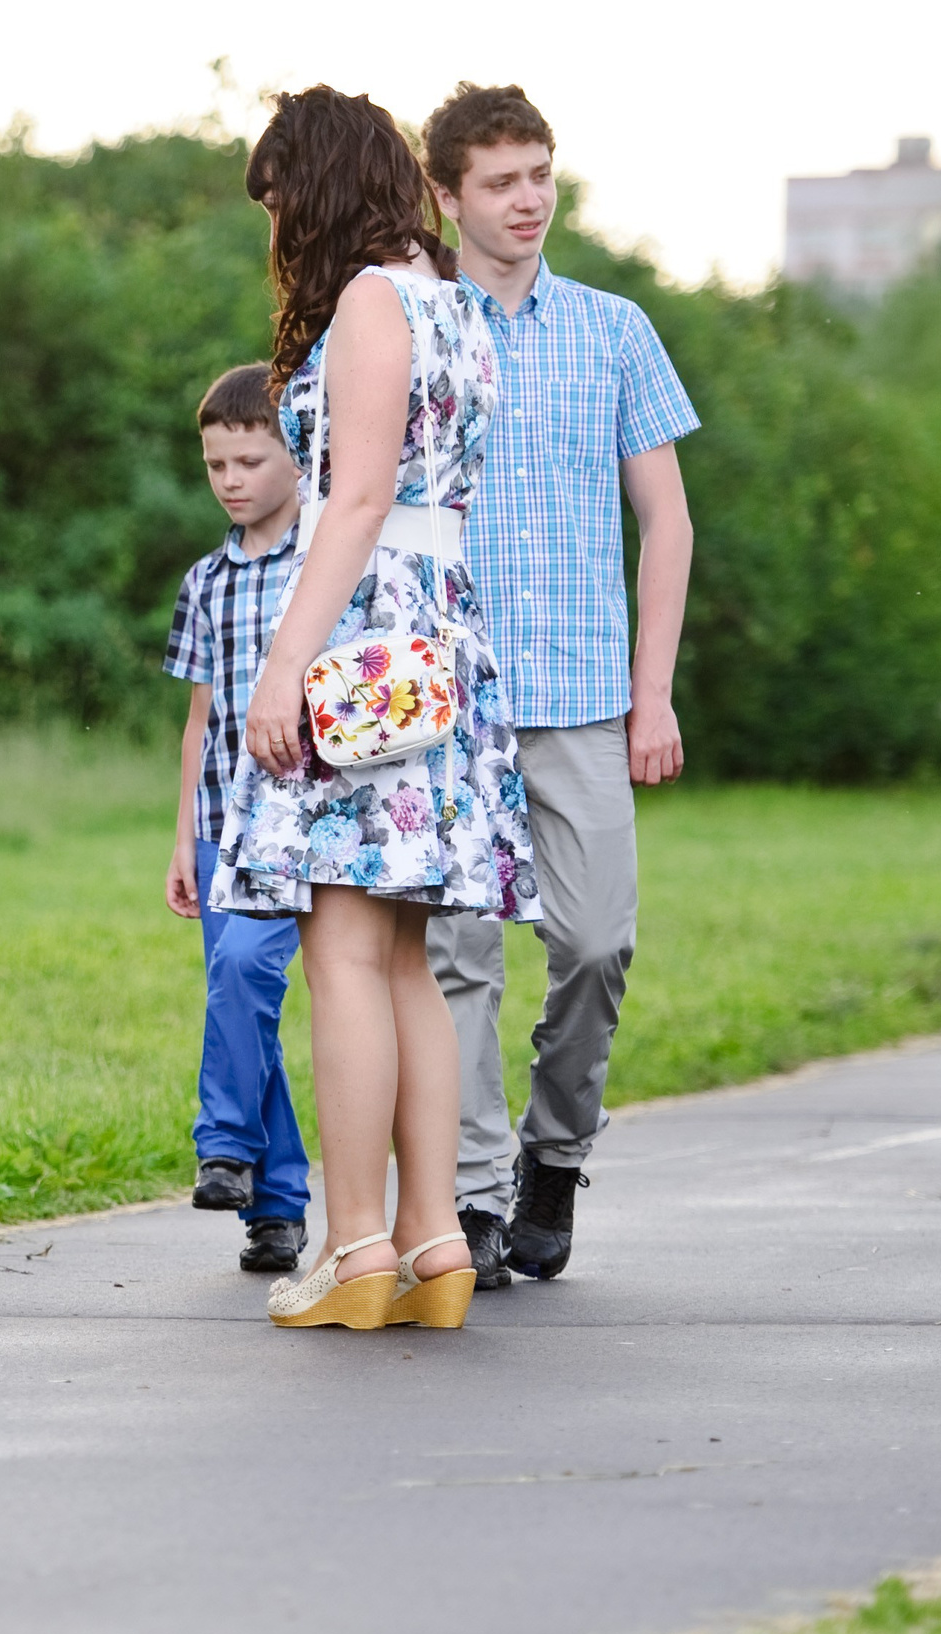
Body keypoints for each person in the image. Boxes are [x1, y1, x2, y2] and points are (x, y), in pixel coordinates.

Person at [210, 86, 542, 1330]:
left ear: (323, 182)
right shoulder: (453, 298)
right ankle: (432, 1242)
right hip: (438, 627)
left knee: (341, 951)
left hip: (362, 631)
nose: (278, 221)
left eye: (282, 195)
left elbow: (349, 504)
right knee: (401, 954)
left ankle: (352, 1248)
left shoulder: (368, 299)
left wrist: (281, 663)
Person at [419, 84, 700, 1289]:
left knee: (593, 945)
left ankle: (553, 1154)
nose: (528, 199)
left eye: (539, 174)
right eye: (499, 181)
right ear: (446, 196)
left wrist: (656, 694)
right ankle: (474, 1198)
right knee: (457, 957)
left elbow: (667, 520)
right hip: (447, 709)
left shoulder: (615, 329)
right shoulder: (415, 328)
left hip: (586, 694)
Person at [165, 362, 313, 1275]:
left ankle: (223, 1139)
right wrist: (182, 836)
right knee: (241, 1001)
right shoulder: (206, 581)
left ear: (297, 457)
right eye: (216, 464)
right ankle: (278, 1206)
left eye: (250, 461)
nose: (230, 480)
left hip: (301, 822)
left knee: (244, 969)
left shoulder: (331, 563)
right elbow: (199, 719)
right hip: (222, 821)